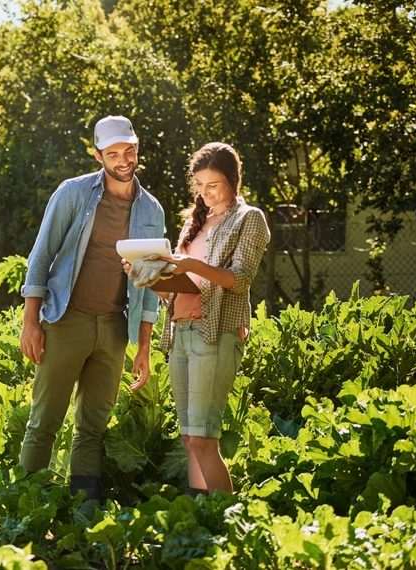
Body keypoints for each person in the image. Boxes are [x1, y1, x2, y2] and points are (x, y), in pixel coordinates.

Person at [19, 115, 165, 502]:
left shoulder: (152, 211)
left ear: (137, 150)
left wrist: (144, 348)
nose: (123, 160)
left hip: (114, 328)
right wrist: (30, 322)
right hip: (67, 320)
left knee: (93, 427)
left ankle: (84, 508)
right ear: (99, 154)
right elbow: (41, 255)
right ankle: (25, 502)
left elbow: (150, 289)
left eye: (129, 151)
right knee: (45, 420)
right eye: (113, 153)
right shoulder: (73, 193)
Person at [156, 142, 270, 495]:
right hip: (181, 331)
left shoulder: (249, 218)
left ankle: (223, 519)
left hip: (215, 332)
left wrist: (193, 266)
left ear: (233, 181)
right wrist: (156, 280)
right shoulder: (195, 221)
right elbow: (183, 283)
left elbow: (239, 279)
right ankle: (199, 513)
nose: (204, 194)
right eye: (199, 186)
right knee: (190, 438)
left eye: (213, 185)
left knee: (205, 438)